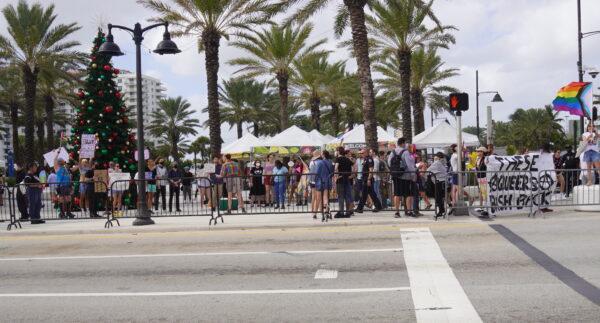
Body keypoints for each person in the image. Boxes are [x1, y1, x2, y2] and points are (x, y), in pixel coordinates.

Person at [389, 138, 416, 217]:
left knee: (397, 194)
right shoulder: (405, 152)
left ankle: (397, 212)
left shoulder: (392, 152)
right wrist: (413, 175)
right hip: (405, 176)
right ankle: (408, 211)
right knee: (407, 194)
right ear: (403, 143)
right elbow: (409, 165)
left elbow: (389, 162)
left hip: (395, 175)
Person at [356, 148, 383, 213]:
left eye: (362, 153)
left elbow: (371, 170)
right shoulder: (365, 159)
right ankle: (378, 206)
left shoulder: (369, 159)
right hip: (365, 179)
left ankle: (360, 208)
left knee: (365, 194)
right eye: (360, 153)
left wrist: (368, 179)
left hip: (368, 179)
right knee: (371, 194)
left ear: (366, 153)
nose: (361, 154)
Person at [334, 147, 354, 217]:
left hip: (340, 179)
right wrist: (350, 175)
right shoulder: (347, 159)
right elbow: (353, 167)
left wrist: (336, 175)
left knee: (341, 196)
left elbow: (336, 168)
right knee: (347, 196)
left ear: (338, 152)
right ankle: (348, 212)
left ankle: (341, 212)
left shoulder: (338, 159)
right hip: (347, 179)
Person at [427, 152, 448, 218]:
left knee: (438, 197)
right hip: (443, 181)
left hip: (439, 181)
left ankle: (441, 211)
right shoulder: (444, 162)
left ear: (437, 157)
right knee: (441, 197)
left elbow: (428, 170)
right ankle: (442, 210)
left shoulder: (437, 163)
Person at [54, 152, 75, 219]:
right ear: (59, 162)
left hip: (67, 186)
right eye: (62, 161)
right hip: (61, 186)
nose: (64, 161)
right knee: (62, 199)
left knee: (68, 198)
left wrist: (70, 185)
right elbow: (54, 160)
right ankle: (62, 214)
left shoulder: (65, 168)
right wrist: (57, 153)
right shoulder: (57, 168)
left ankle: (68, 213)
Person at [315, 150, 334, 220]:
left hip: (321, 181)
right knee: (326, 196)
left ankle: (316, 213)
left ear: (323, 155)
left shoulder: (320, 163)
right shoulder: (331, 162)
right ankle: (326, 210)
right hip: (328, 181)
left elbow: (317, 173)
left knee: (319, 198)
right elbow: (332, 172)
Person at [475, 147, 490, 217]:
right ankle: (481, 207)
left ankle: (486, 208)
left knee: (485, 193)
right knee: (481, 192)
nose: (477, 152)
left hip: (484, 177)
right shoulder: (477, 159)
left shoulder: (485, 159)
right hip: (479, 177)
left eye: (479, 151)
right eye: (477, 151)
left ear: (483, 152)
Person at [308, 150, 322, 217]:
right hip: (318, 180)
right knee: (318, 196)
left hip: (312, 180)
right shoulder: (321, 162)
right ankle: (319, 209)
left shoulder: (311, 162)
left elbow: (310, 169)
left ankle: (312, 210)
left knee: (313, 196)